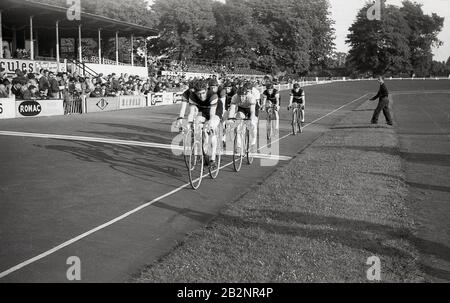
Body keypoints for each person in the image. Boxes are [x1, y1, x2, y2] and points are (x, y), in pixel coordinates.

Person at [176, 79, 220, 168]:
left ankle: (213, 158)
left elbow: (212, 114)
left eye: (203, 93)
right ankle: (202, 150)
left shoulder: (213, 95)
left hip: (215, 111)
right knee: (197, 124)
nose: (201, 96)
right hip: (203, 111)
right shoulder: (192, 96)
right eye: (198, 93)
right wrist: (188, 124)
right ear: (195, 92)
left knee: (210, 129)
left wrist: (209, 124)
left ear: (206, 90)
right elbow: (191, 113)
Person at [227, 82, 258, 153]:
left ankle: (253, 143)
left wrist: (251, 119)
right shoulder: (235, 97)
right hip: (241, 108)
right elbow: (232, 110)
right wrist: (230, 119)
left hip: (251, 108)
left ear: (246, 95)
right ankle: (239, 146)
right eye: (240, 96)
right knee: (239, 125)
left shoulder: (251, 97)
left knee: (253, 124)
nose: (241, 98)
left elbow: (252, 112)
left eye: (243, 96)